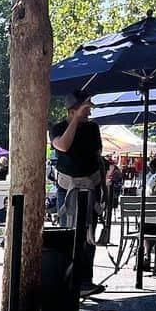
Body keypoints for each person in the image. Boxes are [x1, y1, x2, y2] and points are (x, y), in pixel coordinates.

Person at [50, 95, 106, 289]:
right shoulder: (57, 128)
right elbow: (63, 146)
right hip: (67, 187)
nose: (88, 114)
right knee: (67, 232)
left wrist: (104, 186)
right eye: (84, 111)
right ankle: (66, 280)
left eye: (88, 111)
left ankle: (85, 280)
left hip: (92, 184)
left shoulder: (92, 128)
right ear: (71, 111)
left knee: (89, 233)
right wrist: (75, 120)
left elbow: (98, 156)